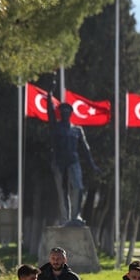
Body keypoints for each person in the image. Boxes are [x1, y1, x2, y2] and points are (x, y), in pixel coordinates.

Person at [47, 88, 100, 225]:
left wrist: (92, 164)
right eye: (62, 111)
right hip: (59, 162)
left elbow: (85, 149)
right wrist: (49, 99)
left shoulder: (77, 130)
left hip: (73, 161)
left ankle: (76, 216)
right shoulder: (56, 127)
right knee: (62, 192)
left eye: (67, 111)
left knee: (78, 187)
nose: (65, 113)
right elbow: (51, 115)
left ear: (71, 113)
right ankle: (65, 219)